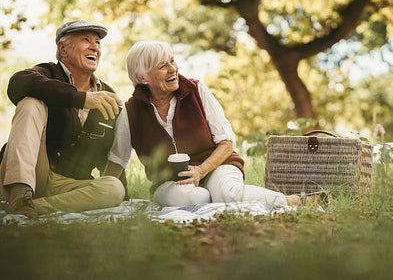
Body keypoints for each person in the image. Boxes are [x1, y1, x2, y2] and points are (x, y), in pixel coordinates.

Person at [103, 40, 302, 207]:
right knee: (194, 198)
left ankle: (291, 201)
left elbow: (226, 143)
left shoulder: (196, 90)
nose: (173, 69)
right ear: (142, 77)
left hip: (218, 166)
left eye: (172, 61)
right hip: (170, 183)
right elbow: (117, 160)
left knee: (227, 194)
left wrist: (201, 170)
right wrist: (104, 198)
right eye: (162, 66)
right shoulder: (130, 111)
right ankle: (210, 199)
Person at [0, 20, 126, 219]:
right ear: (63, 49)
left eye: (98, 42)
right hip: (34, 173)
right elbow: (18, 83)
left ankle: (34, 207)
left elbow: (110, 150)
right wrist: (81, 99)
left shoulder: (107, 94)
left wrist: (122, 195)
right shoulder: (48, 73)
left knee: (114, 188)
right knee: (31, 102)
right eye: (86, 39)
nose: (95, 46)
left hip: (68, 185)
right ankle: (19, 196)